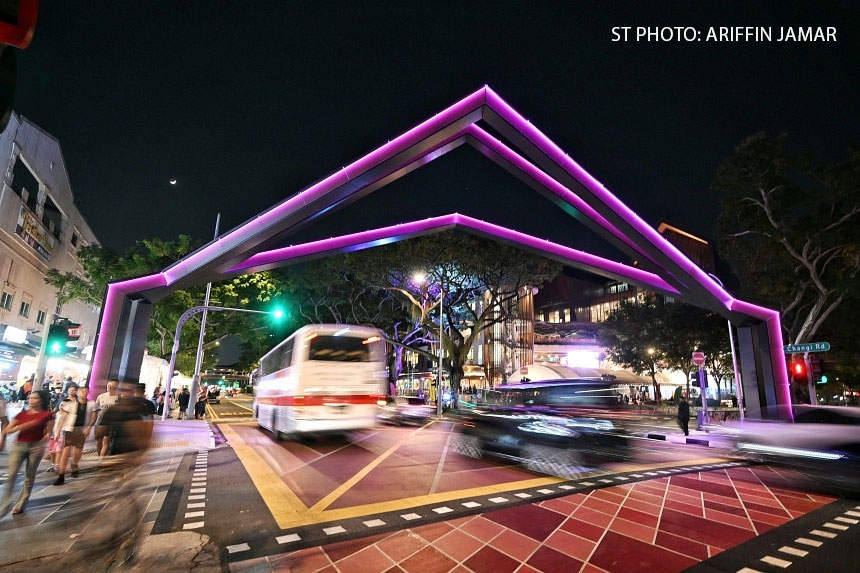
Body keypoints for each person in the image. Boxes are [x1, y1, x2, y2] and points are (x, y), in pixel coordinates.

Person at [0, 390, 53, 517]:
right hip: (19, 445)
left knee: (29, 475)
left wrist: (41, 443)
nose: (31, 400)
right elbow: (7, 430)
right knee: (11, 475)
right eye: (30, 398)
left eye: (34, 398)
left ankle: (21, 504)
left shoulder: (47, 415)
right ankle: (5, 505)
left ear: (41, 400)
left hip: (36, 446)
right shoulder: (22, 415)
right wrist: (23, 426)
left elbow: (49, 433)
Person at [53, 383, 94, 485]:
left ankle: (74, 463)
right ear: (78, 392)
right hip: (70, 429)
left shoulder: (92, 404)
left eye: (86, 392)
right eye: (82, 391)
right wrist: (58, 431)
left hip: (82, 430)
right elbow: (63, 418)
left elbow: (94, 416)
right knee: (66, 451)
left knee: (78, 452)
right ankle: (61, 476)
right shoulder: (70, 404)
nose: (84, 393)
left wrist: (89, 427)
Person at [90, 380, 119, 459]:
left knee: (106, 442)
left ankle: (101, 460)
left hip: (111, 422)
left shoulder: (119, 397)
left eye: (112, 386)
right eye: (108, 385)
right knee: (98, 441)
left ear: (116, 387)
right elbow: (95, 409)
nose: (109, 387)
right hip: (100, 421)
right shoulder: (101, 396)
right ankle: (100, 456)